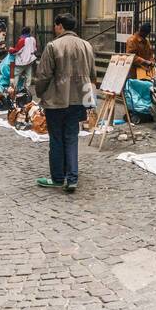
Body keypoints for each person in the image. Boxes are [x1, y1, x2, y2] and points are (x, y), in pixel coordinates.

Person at [34, 13, 96, 192]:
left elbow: (43, 75)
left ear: (59, 25)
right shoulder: (86, 46)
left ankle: (58, 178)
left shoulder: (53, 45)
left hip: (56, 99)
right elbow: (92, 75)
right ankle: (72, 178)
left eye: (55, 25)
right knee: (71, 138)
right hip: (78, 99)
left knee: (56, 139)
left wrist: (40, 93)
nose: (54, 28)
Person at [6, 28, 38, 96]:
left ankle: (13, 91)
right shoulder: (33, 39)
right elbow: (35, 50)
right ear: (29, 32)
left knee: (16, 76)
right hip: (30, 61)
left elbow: (17, 50)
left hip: (21, 62)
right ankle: (27, 91)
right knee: (28, 76)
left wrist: (11, 50)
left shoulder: (22, 40)